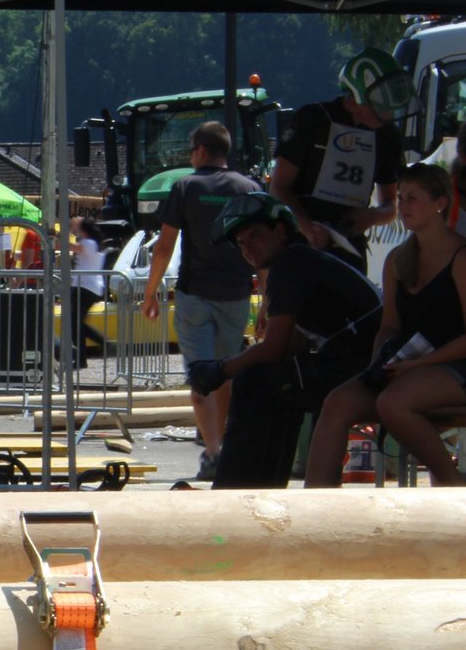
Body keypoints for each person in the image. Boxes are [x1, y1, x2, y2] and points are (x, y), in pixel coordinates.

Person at [186, 192, 382, 489]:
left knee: (254, 382)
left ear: (280, 231)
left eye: (255, 236)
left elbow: (276, 347)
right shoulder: (302, 259)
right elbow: (290, 347)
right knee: (274, 380)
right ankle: (264, 485)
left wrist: (220, 369)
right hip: (365, 361)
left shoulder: (289, 265)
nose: (248, 248)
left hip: (364, 365)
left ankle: (236, 489)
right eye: (241, 243)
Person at [306, 163, 466, 488]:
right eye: (401, 198)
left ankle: (452, 484)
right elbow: (390, 325)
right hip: (406, 364)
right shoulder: (397, 259)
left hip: (455, 363)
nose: (403, 206)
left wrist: (416, 365)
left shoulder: (461, 256)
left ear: (440, 203)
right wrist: (380, 361)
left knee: (393, 402)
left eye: (413, 198)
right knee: (337, 402)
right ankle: (316, 502)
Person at [142, 121, 262, 481]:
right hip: (236, 294)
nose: (190, 157)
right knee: (223, 374)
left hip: (195, 293)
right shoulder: (250, 188)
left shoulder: (186, 187)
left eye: (191, 150)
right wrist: (268, 301)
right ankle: (222, 448)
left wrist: (151, 292)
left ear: (202, 150)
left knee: (200, 376)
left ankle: (213, 453)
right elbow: (265, 249)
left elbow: (164, 246)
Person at [270, 47, 410, 271]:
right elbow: (278, 187)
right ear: (357, 97)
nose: (388, 115)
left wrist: (370, 216)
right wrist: (307, 227)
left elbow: (390, 205)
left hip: (350, 252)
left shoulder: (388, 136)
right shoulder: (312, 119)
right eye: (381, 106)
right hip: (299, 247)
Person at [67, 216, 108, 366]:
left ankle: (83, 357)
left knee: (75, 322)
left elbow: (66, 246)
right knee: (76, 322)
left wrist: (71, 228)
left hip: (85, 287)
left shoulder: (89, 243)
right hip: (87, 287)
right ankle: (102, 344)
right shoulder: (93, 243)